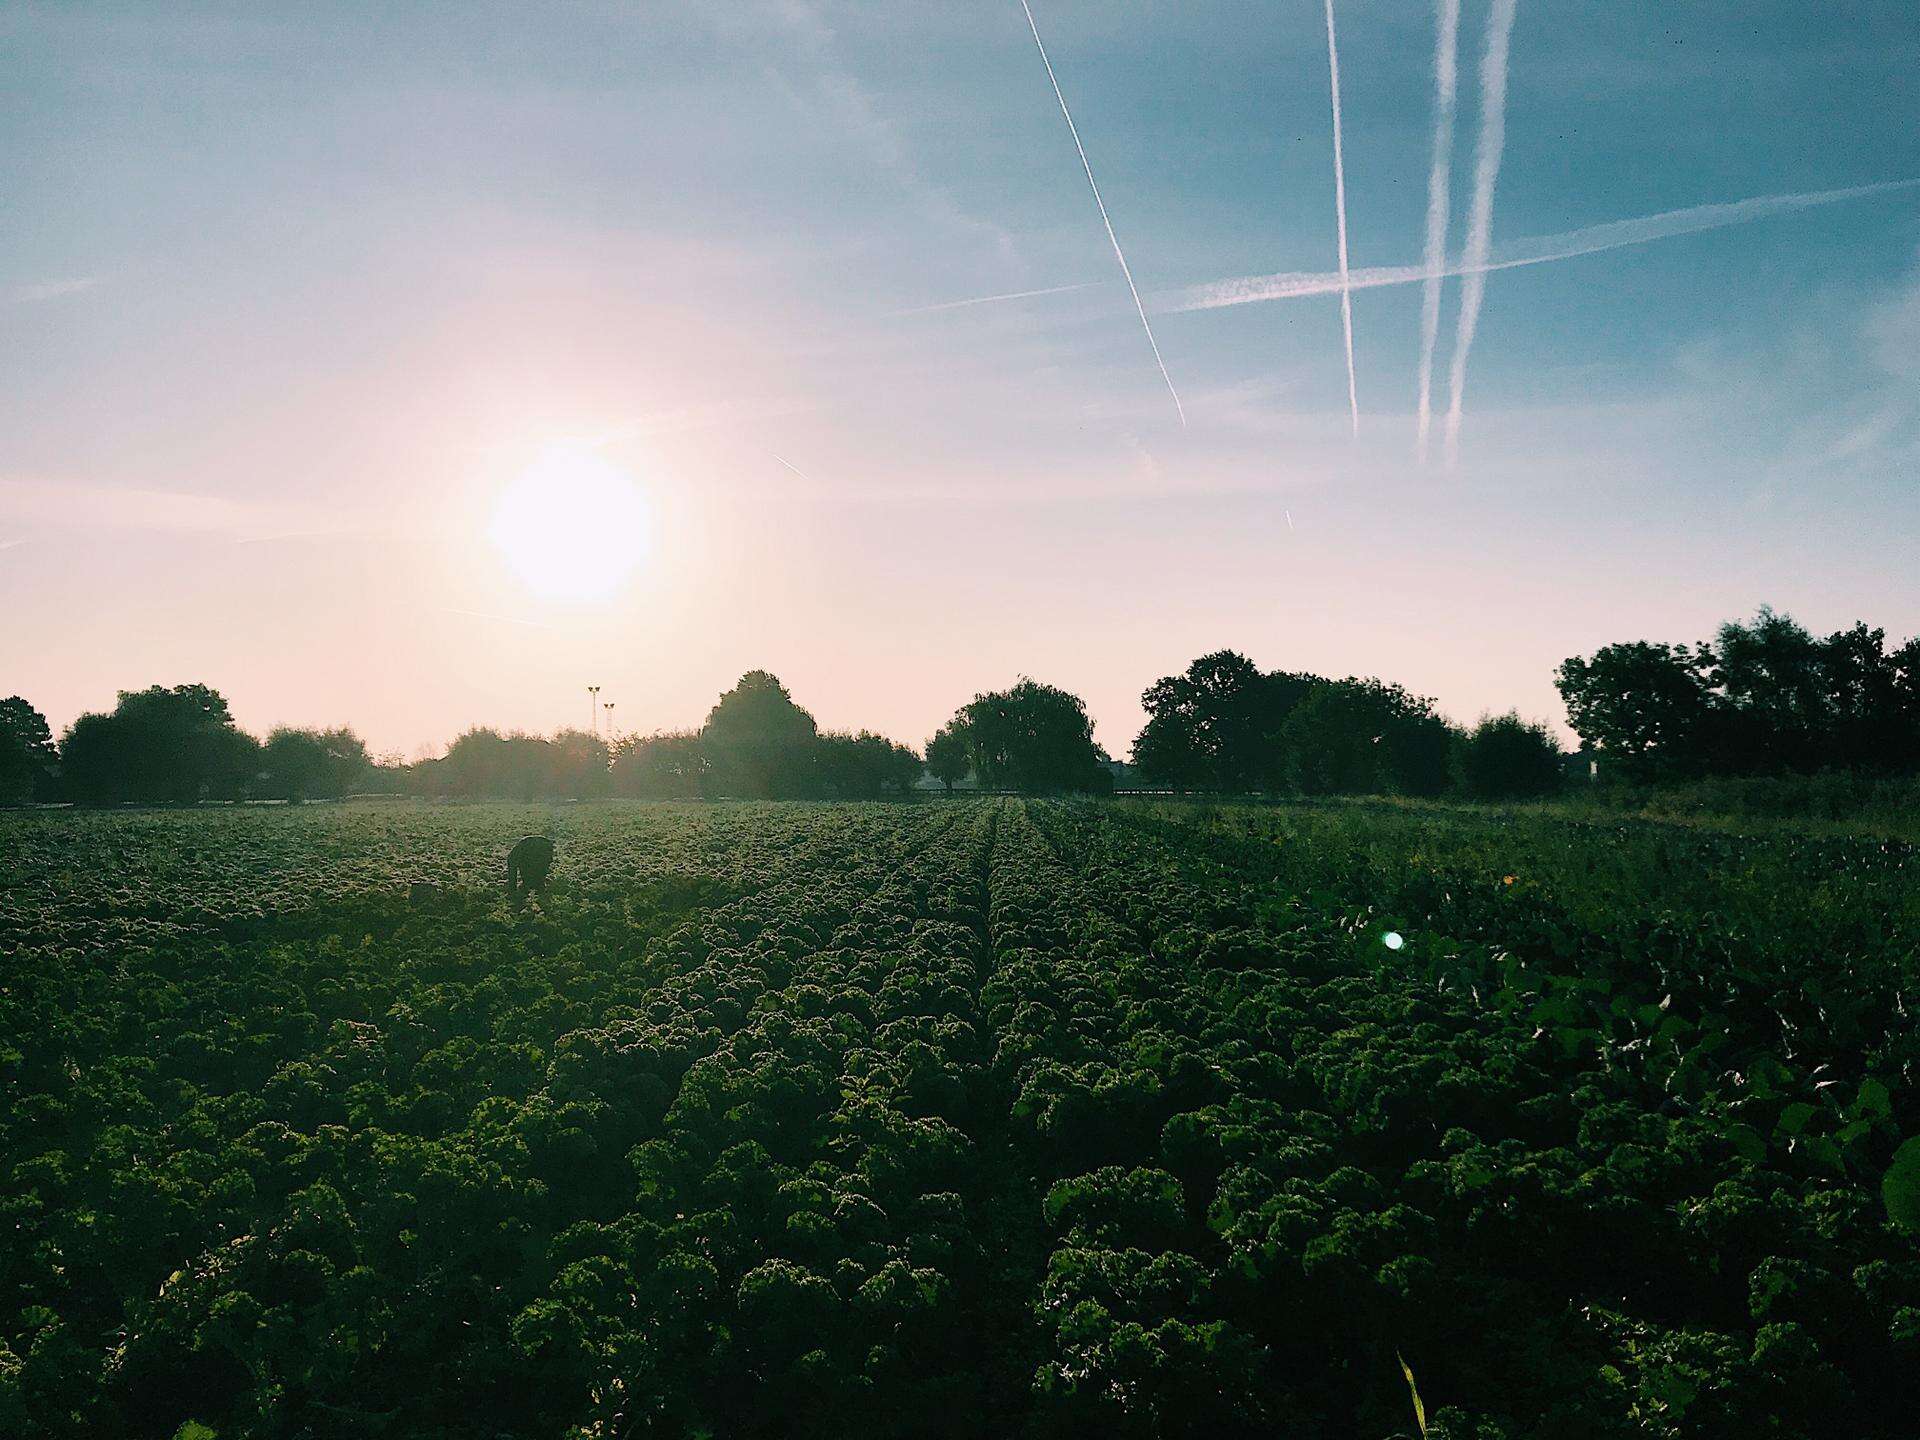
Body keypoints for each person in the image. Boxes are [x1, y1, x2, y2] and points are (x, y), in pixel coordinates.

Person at [506, 834, 554, 900]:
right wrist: (512, 889)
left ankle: (537, 887)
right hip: (532, 852)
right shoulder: (516, 856)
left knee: (537, 881)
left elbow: (549, 861)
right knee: (536, 881)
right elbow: (512, 868)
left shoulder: (518, 854)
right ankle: (537, 887)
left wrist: (512, 890)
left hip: (539, 850)